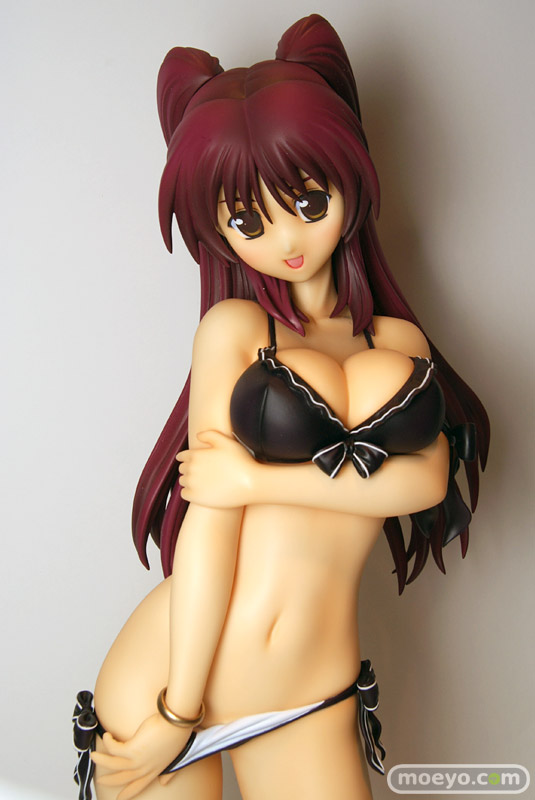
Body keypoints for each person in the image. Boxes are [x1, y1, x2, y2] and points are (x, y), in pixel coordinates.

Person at [74, 14, 489, 800]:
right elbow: (210, 530)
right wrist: (175, 710)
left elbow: (426, 481)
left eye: (307, 199)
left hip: (309, 694)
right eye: (245, 221)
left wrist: (256, 479)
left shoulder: (396, 339)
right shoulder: (234, 330)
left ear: (349, 176)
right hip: (174, 676)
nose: (285, 240)